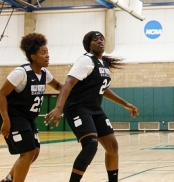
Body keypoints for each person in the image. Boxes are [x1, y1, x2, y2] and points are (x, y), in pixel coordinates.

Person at [45, 31, 139, 182]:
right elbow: (68, 84)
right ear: (88, 45)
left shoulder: (103, 64)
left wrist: (125, 104)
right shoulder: (85, 61)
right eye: (96, 40)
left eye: (102, 39)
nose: (100, 41)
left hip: (94, 109)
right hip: (77, 107)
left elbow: (103, 89)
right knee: (91, 145)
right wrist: (58, 108)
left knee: (113, 146)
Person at [0, 33, 62, 182]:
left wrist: (76, 86)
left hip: (27, 118)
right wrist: (6, 120)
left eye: (47, 52)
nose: (47, 56)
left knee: (35, 151)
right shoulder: (21, 73)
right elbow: (1, 95)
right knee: (27, 152)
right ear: (33, 56)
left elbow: (60, 86)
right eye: (43, 53)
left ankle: (8, 179)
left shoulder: (44, 73)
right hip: (12, 115)